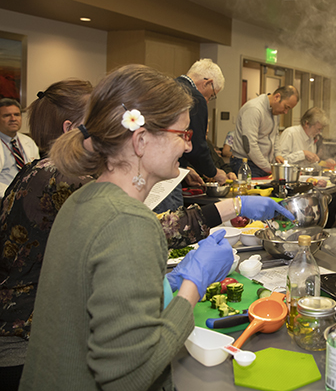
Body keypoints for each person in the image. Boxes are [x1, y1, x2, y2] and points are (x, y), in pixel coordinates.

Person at [0, 80, 294, 390]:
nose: (190, 146)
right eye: (183, 134)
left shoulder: (84, 199)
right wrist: (193, 285)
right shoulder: (127, 220)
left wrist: (167, 285)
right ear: (141, 141)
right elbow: (128, 377)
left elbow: (94, 290)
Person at [153, 59, 228, 213]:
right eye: (212, 95)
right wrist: (214, 173)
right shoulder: (194, 97)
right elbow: (195, 146)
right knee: (174, 225)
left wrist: (185, 168)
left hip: (153, 173)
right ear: (208, 83)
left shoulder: (166, 88)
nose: (208, 100)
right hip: (167, 175)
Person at [222, 85, 299, 177]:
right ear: (277, 97)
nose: (286, 112)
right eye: (286, 107)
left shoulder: (275, 110)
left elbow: (275, 135)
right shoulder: (254, 109)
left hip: (263, 164)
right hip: (246, 163)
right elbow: (250, 146)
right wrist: (269, 168)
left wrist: (278, 154)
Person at [0, 98, 39, 197]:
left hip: (28, 195)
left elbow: (37, 171)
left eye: (17, 115)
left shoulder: (28, 142)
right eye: (7, 115)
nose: (13, 119)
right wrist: (13, 194)